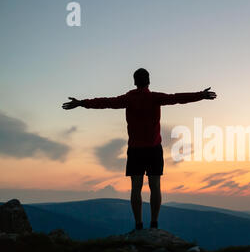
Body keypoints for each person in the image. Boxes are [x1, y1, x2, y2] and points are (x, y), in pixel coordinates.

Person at [62, 68, 217, 230]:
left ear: (135, 81)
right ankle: (154, 224)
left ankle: (138, 224)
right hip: (153, 149)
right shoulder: (154, 97)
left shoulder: (129, 99)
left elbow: (105, 102)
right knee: (155, 186)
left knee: (136, 187)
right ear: (148, 81)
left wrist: (81, 103)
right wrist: (201, 95)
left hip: (135, 150)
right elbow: (177, 98)